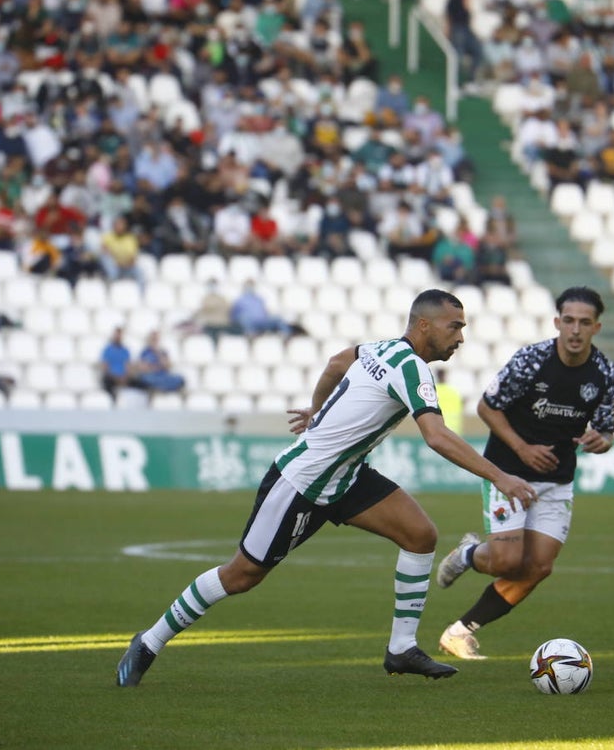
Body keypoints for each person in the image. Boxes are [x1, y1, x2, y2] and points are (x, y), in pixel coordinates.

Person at [116, 290, 537, 687]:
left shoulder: (380, 348)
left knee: (420, 534)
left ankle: (401, 648)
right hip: (301, 481)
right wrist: (500, 476)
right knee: (241, 575)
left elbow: (337, 362)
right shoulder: (413, 369)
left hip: (346, 477)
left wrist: (317, 407)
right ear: (424, 326)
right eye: (454, 326)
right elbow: (437, 436)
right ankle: (148, 642)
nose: (461, 337)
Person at [435, 286, 614, 660]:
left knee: (538, 567)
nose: (575, 330)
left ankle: (460, 632)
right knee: (507, 562)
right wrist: (522, 448)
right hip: (509, 470)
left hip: (557, 482)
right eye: (568, 321)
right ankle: (469, 554)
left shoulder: (604, 374)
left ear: (596, 328)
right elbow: (488, 408)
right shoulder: (531, 361)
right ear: (557, 322)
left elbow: (606, 429)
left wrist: (603, 441)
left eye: (585, 323)